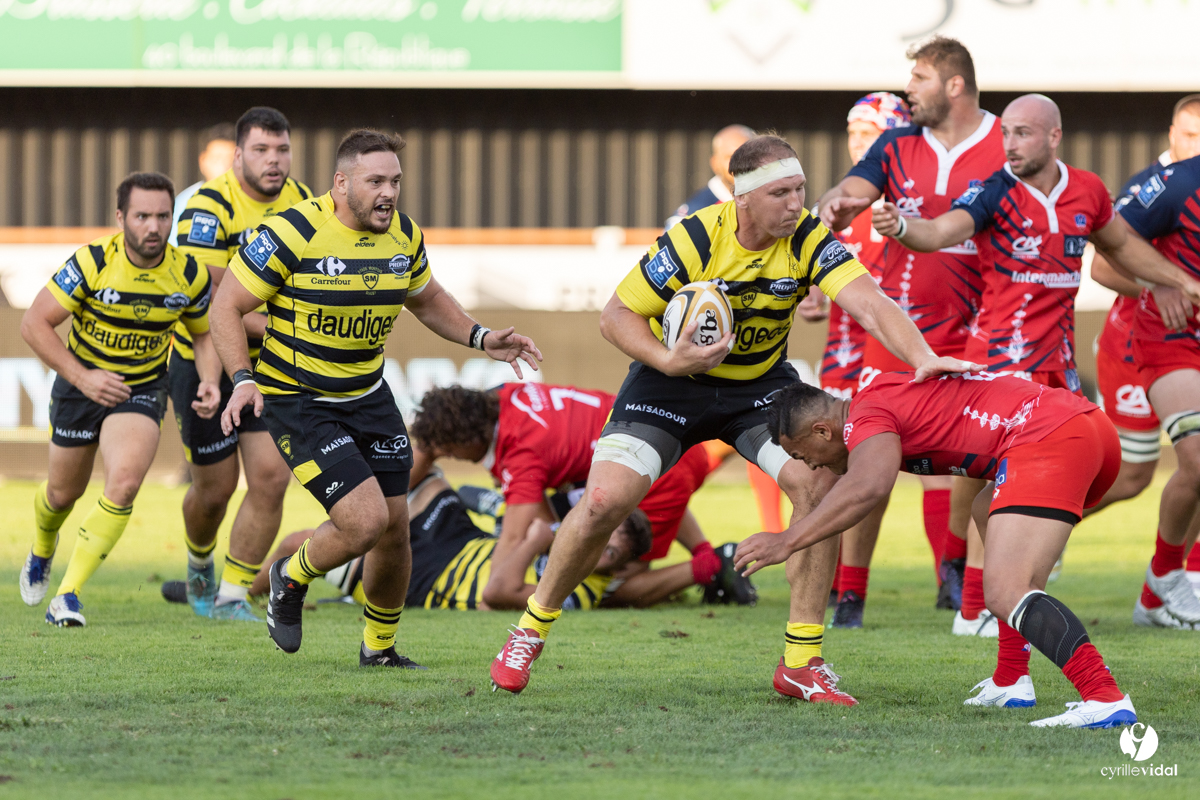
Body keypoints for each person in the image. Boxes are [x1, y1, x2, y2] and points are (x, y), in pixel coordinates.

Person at [488, 133, 980, 700]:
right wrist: (667, 358)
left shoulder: (810, 237)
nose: (797, 204)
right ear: (743, 199)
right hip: (671, 384)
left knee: (819, 485)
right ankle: (530, 629)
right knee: (602, 502)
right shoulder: (695, 237)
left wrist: (922, 357)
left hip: (759, 392)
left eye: (800, 189)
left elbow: (869, 301)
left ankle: (801, 660)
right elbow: (616, 316)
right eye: (781, 194)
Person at [211, 129, 541, 668]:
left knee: (395, 528)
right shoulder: (291, 231)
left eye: (395, 182)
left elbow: (428, 298)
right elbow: (225, 306)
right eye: (375, 182)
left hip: (368, 393)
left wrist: (482, 337)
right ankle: (287, 575)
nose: (388, 192)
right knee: (363, 522)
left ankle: (379, 650)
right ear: (341, 184)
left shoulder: (405, 236)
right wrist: (242, 378)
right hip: (300, 396)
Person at [736, 375, 1141, 728]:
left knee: (1007, 591)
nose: (807, 465)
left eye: (800, 454)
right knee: (984, 512)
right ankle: (1011, 679)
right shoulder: (878, 397)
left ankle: (1103, 695)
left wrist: (786, 540)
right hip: (1080, 426)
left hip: (1054, 434)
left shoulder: (866, 416)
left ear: (823, 431)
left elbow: (868, 488)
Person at [18, 173, 217, 626]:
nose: (153, 226)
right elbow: (34, 324)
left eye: (162, 216)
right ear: (121, 217)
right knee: (60, 494)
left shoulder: (188, 272)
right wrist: (82, 377)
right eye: (142, 216)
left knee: (124, 484)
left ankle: (67, 595)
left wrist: (209, 379)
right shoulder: (93, 261)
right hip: (79, 385)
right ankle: (43, 548)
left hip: (141, 389)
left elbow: (203, 335)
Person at [409, 384, 754, 607]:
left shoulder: (521, 453)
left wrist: (496, 594)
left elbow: (516, 536)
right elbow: (437, 432)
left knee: (616, 581)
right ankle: (707, 555)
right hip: (658, 447)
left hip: (659, 470)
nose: (450, 457)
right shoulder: (497, 398)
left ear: (471, 438)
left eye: (452, 452)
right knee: (568, 531)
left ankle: (713, 566)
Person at [165, 107, 313, 622]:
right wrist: (277, 325)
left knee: (271, 478)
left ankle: (230, 594)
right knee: (215, 489)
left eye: (282, 150)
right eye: (261, 151)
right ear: (238, 155)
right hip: (205, 359)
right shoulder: (208, 205)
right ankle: (200, 561)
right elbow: (210, 297)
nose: (274, 162)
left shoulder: (305, 203)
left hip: (269, 366)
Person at [1086, 94, 1200, 615]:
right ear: (1172, 133)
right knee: (1133, 473)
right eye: (1189, 133)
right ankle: (1038, 524)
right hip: (1149, 343)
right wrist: (1160, 285)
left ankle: (1175, 584)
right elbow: (1104, 265)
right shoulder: (1162, 186)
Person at [250, 473, 653, 611]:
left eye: (610, 552)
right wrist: (503, 505)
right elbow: (469, 491)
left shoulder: (579, 594)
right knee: (427, 469)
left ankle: (244, 593)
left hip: (431, 578)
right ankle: (364, 513)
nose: (596, 548)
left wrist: (535, 540)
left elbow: (500, 592)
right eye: (602, 535)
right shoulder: (551, 529)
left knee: (299, 541)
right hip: (459, 538)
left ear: (621, 568)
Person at [665, 122, 791, 536]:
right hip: (699, 355)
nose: (741, 164)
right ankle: (661, 515)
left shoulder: (777, 208)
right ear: (715, 162)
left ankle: (775, 530)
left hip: (752, 350)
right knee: (685, 448)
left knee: (770, 433)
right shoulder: (693, 215)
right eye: (732, 155)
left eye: (749, 153)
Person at [819, 92, 913, 629]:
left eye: (870, 132)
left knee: (888, 467)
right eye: (853, 132)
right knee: (834, 472)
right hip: (843, 356)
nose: (860, 143)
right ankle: (834, 585)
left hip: (896, 354)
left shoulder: (908, 206)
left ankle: (951, 574)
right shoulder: (833, 208)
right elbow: (812, 297)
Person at [1113, 153, 1200, 628]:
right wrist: (1161, 279)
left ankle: (1152, 599)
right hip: (1171, 339)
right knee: (1155, 468)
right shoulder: (1177, 182)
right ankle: (1167, 572)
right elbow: (1111, 241)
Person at [664, 124, 755, 230]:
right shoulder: (695, 214)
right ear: (715, 163)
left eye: (748, 156)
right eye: (731, 157)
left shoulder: (774, 201)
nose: (740, 164)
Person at [170, 123, 236, 242]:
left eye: (231, 160)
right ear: (203, 161)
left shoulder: (254, 202)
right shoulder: (184, 204)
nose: (225, 167)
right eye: (218, 159)